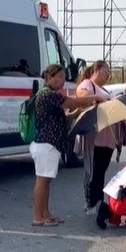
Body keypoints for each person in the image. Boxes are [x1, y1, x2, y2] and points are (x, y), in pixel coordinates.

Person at [30, 64, 100, 227]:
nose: (62, 80)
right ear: (49, 78)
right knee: (42, 181)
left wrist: (79, 112)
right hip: (45, 144)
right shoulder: (48, 94)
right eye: (59, 77)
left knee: (46, 181)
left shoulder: (52, 95)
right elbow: (73, 102)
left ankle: (45, 214)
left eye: (63, 76)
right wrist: (94, 98)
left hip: (50, 144)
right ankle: (38, 216)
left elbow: (67, 113)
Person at [76, 61, 117, 214]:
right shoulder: (87, 84)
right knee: (94, 170)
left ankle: (98, 201)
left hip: (107, 136)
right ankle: (92, 203)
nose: (108, 75)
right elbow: (82, 98)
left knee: (101, 170)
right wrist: (100, 100)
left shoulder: (104, 89)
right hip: (95, 136)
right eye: (106, 71)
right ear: (96, 70)